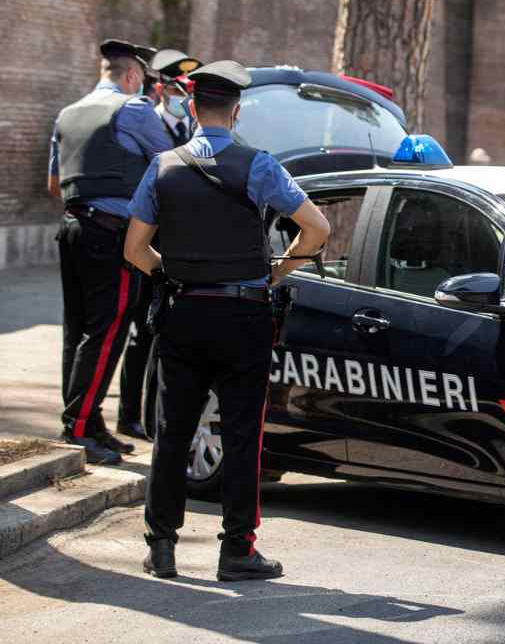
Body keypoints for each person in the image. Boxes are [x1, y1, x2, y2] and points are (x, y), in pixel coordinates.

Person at [124, 60, 330, 582]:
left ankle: (163, 547)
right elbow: (317, 228)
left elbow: (133, 249)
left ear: (192, 109)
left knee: (173, 431)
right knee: (242, 434)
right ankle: (237, 549)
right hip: (244, 314)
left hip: (184, 311)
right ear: (235, 113)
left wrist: (170, 273)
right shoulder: (258, 166)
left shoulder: (162, 166)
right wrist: (276, 274)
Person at [49, 38, 177, 465]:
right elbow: (169, 164)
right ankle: (80, 426)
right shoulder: (134, 108)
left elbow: (55, 184)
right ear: (133, 76)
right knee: (106, 333)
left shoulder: (67, 114)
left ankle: (88, 418)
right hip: (112, 234)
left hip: (71, 228)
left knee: (78, 331)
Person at [115, 49, 204, 441]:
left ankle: (156, 414)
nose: (183, 96)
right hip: (147, 245)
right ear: (160, 88)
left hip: (179, 247)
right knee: (139, 332)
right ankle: (128, 413)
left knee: (166, 333)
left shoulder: (191, 132)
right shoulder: (145, 125)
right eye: (177, 88)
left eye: (189, 89)